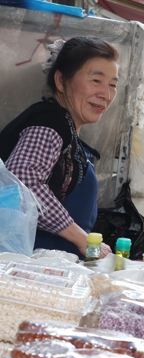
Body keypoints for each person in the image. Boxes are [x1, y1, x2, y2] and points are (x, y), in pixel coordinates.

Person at [0, 37, 118, 259]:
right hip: (30, 264)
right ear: (61, 81)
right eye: (96, 80)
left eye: (113, 84)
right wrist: (81, 238)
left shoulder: (66, 129)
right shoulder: (51, 122)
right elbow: (23, 181)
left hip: (53, 265)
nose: (106, 94)